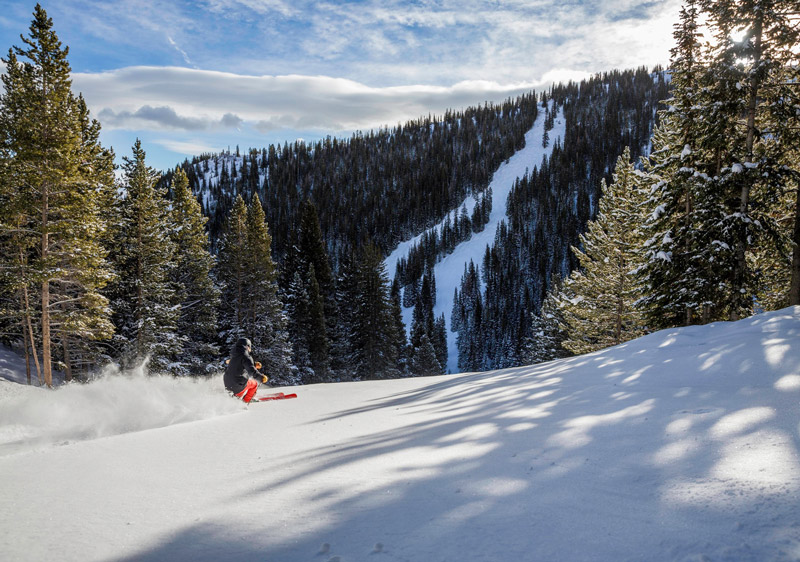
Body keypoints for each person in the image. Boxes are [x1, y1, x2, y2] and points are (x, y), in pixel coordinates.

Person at [224, 337, 268, 403]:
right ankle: (245, 402)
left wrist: (254, 364)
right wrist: (261, 377)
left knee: (244, 381)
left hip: (227, 385)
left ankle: (236, 397)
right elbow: (252, 372)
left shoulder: (234, 356)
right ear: (247, 346)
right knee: (254, 384)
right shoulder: (246, 356)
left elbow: (240, 364)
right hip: (237, 384)